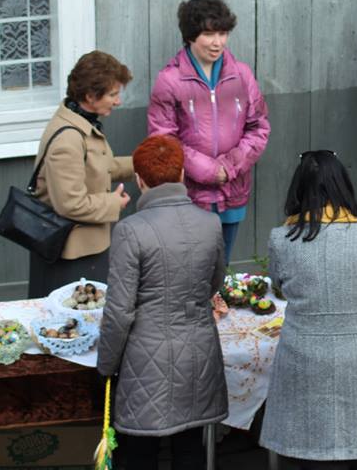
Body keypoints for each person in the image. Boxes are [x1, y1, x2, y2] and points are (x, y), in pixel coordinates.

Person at [260, 150, 357, 470]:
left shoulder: (282, 239)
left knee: (308, 454)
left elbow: (279, 286)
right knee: (355, 455)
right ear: (344, 186)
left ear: (298, 190)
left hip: (303, 359)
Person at [97, 134, 227, 470]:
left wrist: (106, 365)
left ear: (139, 180)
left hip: (145, 358)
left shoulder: (130, 230)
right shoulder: (210, 223)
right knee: (190, 450)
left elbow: (119, 311)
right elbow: (214, 283)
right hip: (199, 352)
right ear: (182, 174)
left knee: (139, 455)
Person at [148, 0, 270, 264]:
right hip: (189, 197)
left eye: (223, 33)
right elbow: (163, 139)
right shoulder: (169, 80)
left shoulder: (242, 75)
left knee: (220, 267)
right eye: (209, 34)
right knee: (189, 269)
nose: (218, 42)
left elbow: (258, 127)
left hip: (233, 191)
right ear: (191, 36)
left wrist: (228, 167)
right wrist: (208, 171)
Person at [28, 51, 134, 298]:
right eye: (112, 94)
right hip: (71, 257)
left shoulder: (80, 122)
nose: (118, 101)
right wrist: (113, 203)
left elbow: (101, 166)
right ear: (90, 96)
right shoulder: (68, 139)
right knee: (75, 318)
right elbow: (70, 203)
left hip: (84, 248)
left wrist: (144, 163)